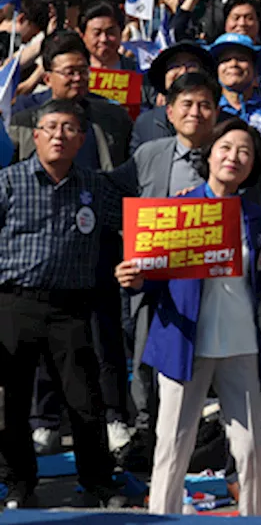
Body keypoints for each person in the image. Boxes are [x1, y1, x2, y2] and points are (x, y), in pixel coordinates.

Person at [116, 117, 261, 516]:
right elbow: (150, 275)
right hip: (184, 341)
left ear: (253, 164)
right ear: (210, 154)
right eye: (225, 147)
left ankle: (254, 519)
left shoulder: (256, 218)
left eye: (244, 151)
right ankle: (163, 518)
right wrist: (134, 279)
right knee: (172, 444)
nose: (233, 157)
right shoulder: (177, 210)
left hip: (240, 342)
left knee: (251, 447)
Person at [0, 100, 128, 509]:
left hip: (72, 308)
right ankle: (19, 483)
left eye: (69, 128)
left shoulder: (96, 187)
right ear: (35, 135)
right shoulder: (8, 182)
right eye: (51, 127)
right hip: (13, 303)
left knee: (84, 400)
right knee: (11, 403)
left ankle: (97, 481)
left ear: (82, 138)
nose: (59, 135)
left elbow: (134, 226)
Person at [107, 72, 222, 465]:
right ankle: (148, 432)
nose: (196, 112)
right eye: (186, 105)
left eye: (204, 104)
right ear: (169, 112)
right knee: (146, 358)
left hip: (214, 282)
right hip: (157, 280)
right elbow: (114, 195)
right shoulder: (150, 154)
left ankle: (207, 438)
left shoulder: (231, 151)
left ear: (216, 112)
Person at [11, 31, 133, 168]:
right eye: (69, 72)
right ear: (47, 79)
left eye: (82, 71)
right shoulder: (23, 121)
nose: (77, 78)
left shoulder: (113, 117)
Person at [208, 32, 261, 141]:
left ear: (255, 70)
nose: (233, 64)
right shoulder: (209, 110)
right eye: (225, 60)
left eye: (241, 59)